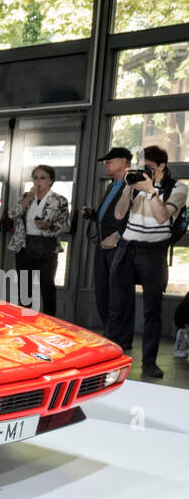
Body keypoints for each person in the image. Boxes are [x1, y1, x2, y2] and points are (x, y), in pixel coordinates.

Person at [109, 145, 188, 378]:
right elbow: (119, 215)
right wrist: (127, 189)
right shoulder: (134, 184)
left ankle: (149, 362)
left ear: (162, 166)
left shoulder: (178, 187)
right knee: (117, 307)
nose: (144, 172)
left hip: (153, 253)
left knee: (152, 310)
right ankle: (110, 361)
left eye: (149, 168)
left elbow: (162, 216)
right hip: (126, 249)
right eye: (141, 168)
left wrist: (151, 191)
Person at [7, 164, 69, 316]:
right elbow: (12, 214)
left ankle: (50, 321)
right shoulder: (26, 197)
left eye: (43, 178)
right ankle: (25, 319)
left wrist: (49, 225)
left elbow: (64, 225)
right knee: (24, 286)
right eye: (35, 178)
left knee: (47, 285)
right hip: (24, 246)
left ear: (51, 181)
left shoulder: (59, 200)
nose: (38, 181)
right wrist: (29, 196)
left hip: (47, 246)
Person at [88, 147, 133, 335]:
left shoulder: (132, 186)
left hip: (119, 245)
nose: (105, 164)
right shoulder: (111, 185)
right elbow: (109, 215)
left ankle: (120, 335)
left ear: (123, 162)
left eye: (110, 161)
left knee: (119, 292)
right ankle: (109, 330)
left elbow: (133, 216)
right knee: (103, 289)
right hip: (102, 244)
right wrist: (93, 214)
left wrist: (117, 236)